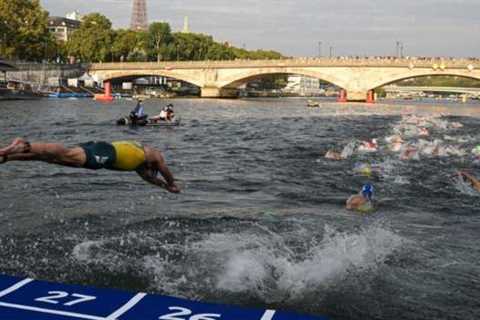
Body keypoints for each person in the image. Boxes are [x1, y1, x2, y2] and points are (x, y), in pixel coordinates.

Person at [0, 138, 180, 193]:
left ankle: (8, 157)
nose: (151, 170)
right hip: (106, 153)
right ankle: (24, 145)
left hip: (102, 153)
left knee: (51, 158)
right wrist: (171, 183)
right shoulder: (150, 153)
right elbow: (164, 168)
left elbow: (152, 179)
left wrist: (166, 187)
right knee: (64, 153)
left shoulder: (141, 167)